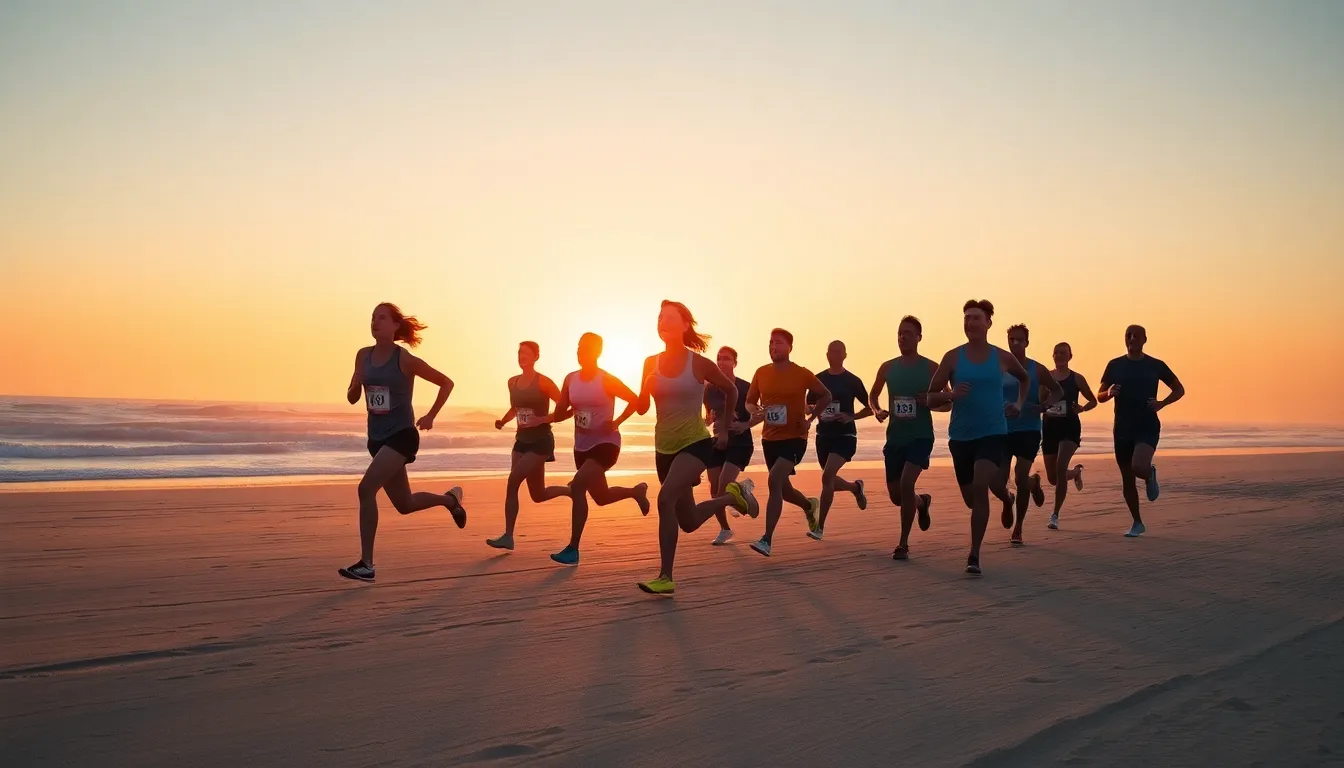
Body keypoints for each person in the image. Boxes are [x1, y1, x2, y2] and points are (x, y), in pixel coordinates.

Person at [339, 303, 467, 583]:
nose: (375, 322)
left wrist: (431, 415)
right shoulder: (363, 356)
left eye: (381, 317)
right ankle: (450, 500)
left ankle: (367, 564)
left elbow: (446, 382)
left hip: (402, 436)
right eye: (372, 317)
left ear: (395, 326)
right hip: (376, 439)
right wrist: (355, 384)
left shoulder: (404, 359)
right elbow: (351, 398)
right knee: (405, 504)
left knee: (365, 489)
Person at [635, 301, 756, 595]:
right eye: (660, 317)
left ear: (685, 325)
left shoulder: (697, 363)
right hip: (663, 448)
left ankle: (666, 577)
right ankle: (731, 498)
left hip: (695, 443)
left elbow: (731, 390)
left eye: (669, 317)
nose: (663, 321)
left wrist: (725, 428)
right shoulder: (650, 362)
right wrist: (647, 387)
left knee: (664, 500)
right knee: (687, 521)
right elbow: (640, 408)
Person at [927, 300, 1029, 575]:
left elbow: (1024, 378)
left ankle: (974, 555)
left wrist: (1018, 405)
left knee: (981, 485)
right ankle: (1007, 499)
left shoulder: (1002, 357)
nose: (970, 322)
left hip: (993, 432)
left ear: (988, 323)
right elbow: (930, 396)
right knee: (971, 499)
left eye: (975, 318)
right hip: (961, 436)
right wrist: (951, 395)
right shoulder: (952, 357)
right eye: (966, 318)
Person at [546, 333, 651, 565]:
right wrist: (549, 417)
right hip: (581, 447)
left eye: (585, 348)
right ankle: (636, 492)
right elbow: (562, 411)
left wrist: (618, 421)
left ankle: (573, 549)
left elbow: (634, 400)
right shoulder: (570, 379)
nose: (580, 352)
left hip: (606, 444)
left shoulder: (607, 380)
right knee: (601, 498)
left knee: (578, 486)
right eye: (578, 347)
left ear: (597, 352)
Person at [746, 328, 830, 557]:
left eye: (779, 343)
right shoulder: (761, 372)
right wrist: (756, 411)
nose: (774, 347)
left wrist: (810, 419)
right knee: (783, 490)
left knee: (774, 480)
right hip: (769, 439)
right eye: (771, 343)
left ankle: (767, 540)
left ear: (790, 347)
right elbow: (749, 402)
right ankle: (809, 505)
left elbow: (826, 396)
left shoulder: (802, 373)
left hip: (795, 438)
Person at [870, 315, 947, 560]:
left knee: (905, 484)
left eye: (908, 333)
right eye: (900, 333)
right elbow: (873, 396)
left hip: (921, 437)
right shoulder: (887, 367)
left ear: (919, 337)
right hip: (895, 438)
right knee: (897, 496)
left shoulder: (931, 368)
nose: (903, 337)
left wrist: (931, 402)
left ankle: (903, 543)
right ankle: (921, 502)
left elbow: (948, 401)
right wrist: (877, 410)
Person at [1098, 325, 1185, 537]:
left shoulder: (1155, 365)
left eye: (1137, 335)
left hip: (1147, 424)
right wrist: (1108, 393)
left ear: (1145, 339)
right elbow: (1099, 395)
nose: (1132, 338)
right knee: (1127, 479)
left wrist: (1162, 403)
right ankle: (1137, 522)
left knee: (1138, 466)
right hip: (1122, 428)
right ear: (1124, 339)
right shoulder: (1115, 365)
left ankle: (1149, 473)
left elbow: (1179, 389)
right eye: (1128, 335)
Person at [488, 341, 571, 551]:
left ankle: (508, 536)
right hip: (521, 440)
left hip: (541, 441)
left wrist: (544, 419)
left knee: (513, 480)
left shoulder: (544, 382)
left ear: (535, 357)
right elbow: (515, 408)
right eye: (519, 352)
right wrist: (503, 421)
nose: (521, 356)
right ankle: (571, 490)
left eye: (526, 353)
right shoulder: (512, 382)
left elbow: (566, 409)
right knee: (538, 494)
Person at [1000, 324, 1063, 546]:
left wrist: (1045, 405)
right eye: (1011, 339)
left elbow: (1058, 390)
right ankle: (1011, 497)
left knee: (1018, 476)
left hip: (1029, 429)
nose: (1015, 343)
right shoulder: (999, 368)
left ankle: (1018, 528)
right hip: (1001, 429)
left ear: (1027, 342)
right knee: (999, 480)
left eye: (1019, 340)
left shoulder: (1036, 369)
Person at [807, 340, 872, 540]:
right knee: (830, 480)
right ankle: (855, 487)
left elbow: (870, 407)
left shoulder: (853, 380)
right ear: (826, 354)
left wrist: (851, 416)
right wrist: (813, 411)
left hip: (845, 436)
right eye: (831, 351)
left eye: (838, 351)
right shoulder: (818, 379)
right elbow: (807, 406)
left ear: (845, 355)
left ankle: (819, 526)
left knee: (827, 477)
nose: (834, 355)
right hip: (823, 436)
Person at [702, 346, 763, 546]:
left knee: (722, 488)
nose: (721, 362)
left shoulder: (746, 388)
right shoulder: (709, 388)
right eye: (719, 358)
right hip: (717, 440)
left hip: (740, 442)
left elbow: (761, 413)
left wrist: (745, 423)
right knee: (714, 490)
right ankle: (725, 529)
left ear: (735, 363)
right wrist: (706, 421)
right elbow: (709, 416)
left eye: (726, 359)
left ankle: (738, 491)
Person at [1042, 342, 1097, 530]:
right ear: (1053, 356)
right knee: (1052, 478)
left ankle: (1055, 514)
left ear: (1070, 356)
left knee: (1059, 467)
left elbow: (1092, 400)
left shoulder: (1077, 378)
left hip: (1070, 427)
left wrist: (1082, 408)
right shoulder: (1047, 377)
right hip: (1049, 428)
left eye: (1063, 353)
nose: (1059, 355)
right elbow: (1038, 399)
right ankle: (1075, 473)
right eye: (1056, 352)